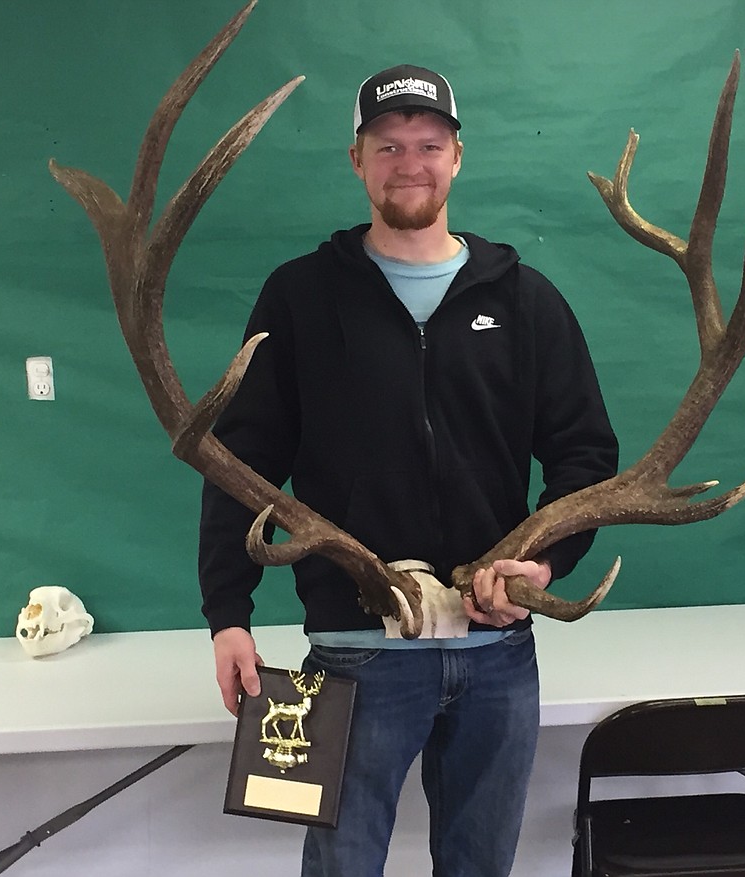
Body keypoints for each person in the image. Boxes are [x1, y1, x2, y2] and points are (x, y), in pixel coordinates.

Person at [198, 63, 618, 877]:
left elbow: (583, 457)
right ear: (356, 160)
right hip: (354, 656)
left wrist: (542, 564)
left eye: (428, 144)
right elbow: (238, 463)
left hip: (497, 650)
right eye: (387, 145)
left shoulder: (525, 301)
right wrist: (227, 613)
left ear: (457, 156)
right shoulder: (300, 299)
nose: (409, 161)